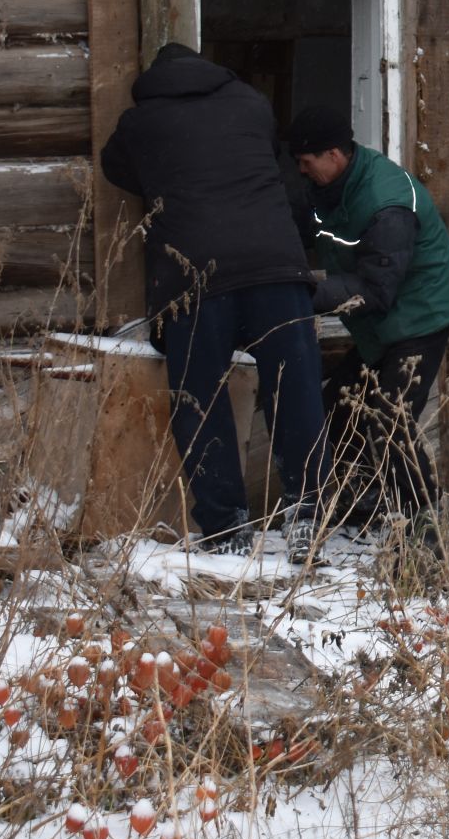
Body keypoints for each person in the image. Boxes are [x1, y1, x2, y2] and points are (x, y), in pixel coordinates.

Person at [100, 43, 329, 561]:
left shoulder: (141, 122)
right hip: (276, 267)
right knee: (294, 391)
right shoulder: (250, 102)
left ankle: (225, 529)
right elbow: (267, 159)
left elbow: (114, 166)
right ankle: (307, 512)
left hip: (197, 278)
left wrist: (165, 180)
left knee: (200, 402)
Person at [286, 106, 449, 537]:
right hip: (383, 323)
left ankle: (428, 526)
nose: (300, 170)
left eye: (306, 162)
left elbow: (375, 288)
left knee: (389, 420)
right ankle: (363, 503)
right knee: (338, 407)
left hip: (421, 316)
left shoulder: (387, 203)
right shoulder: (327, 187)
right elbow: (302, 227)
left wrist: (301, 292)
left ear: (333, 154)